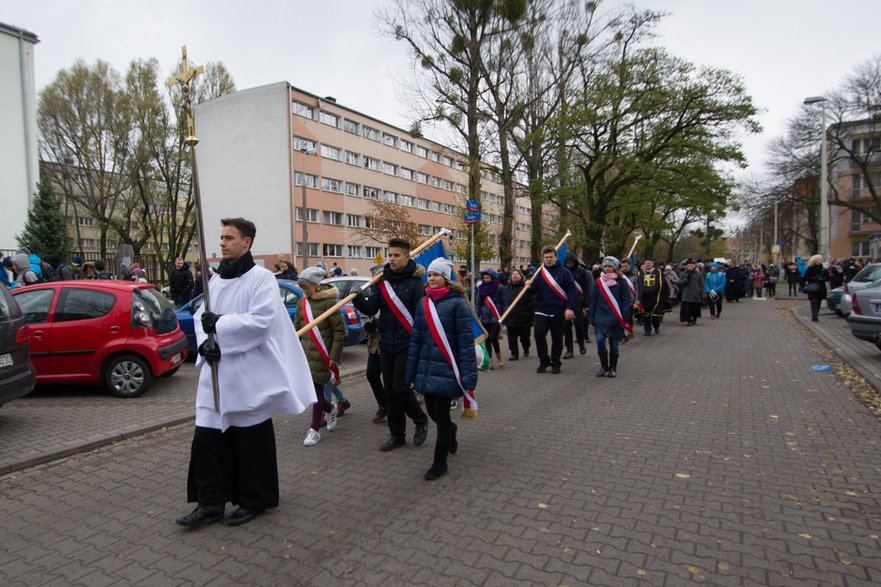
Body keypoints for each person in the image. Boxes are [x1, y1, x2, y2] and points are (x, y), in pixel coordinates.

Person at [177, 217, 315, 529]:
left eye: (229, 237)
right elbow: (202, 318)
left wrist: (221, 328)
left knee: (250, 442)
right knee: (207, 440)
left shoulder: (261, 279)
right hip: (215, 378)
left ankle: (254, 499)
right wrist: (205, 345)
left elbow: (262, 322)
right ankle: (210, 503)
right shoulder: (216, 280)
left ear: (246, 243)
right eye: (221, 237)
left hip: (248, 377)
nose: (222, 242)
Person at [351, 237, 430, 451]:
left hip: (408, 343)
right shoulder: (382, 281)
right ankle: (397, 435)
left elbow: (421, 316)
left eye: (396, 255)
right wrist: (357, 297)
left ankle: (420, 419)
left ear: (407, 257)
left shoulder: (415, 284)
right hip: (386, 343)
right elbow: (370, 308)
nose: (392, 259)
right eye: (390, 255)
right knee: (390, 392)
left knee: (401, 389)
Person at [405, 258, 478, 480]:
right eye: (429, 275)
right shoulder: (423, 304)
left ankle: (440, 462)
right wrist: (411, 371)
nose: (432, 279)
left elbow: (466, 343)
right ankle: (451, 431)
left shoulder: (458, 304)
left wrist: (468, 376)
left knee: (442, 416)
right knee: (433, 412)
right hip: (426, 369)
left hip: (448, 369)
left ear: (446, 278)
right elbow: (416, 340)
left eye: (436, 275)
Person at [293, 267, 347, 446]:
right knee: (310, 393)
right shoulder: (302, 302)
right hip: (306, 355)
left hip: (323, 356)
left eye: (306, 286)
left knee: (315, 393)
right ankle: (330, 408)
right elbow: (298, 328)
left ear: (316, 286)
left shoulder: (328, 303)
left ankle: (314, 429)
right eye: (301, 286)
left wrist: (334, 356)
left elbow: (339, 331)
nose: (304, 290)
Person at [531, 245, 577, 374]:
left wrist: (569, 308)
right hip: (541, 309)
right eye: (546, 257)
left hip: (558, 310)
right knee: (538, 334)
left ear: (556, 257)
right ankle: (543, 360)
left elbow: (571, 291)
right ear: (543, 259)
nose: (549, 259)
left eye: (551, 257)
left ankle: (555, 361)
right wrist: (529, 285)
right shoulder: (539, 273)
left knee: (557, 338)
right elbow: (532, 290)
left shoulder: (564, 272)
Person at [588, 256, 632, 378]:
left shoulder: (621, 282)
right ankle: (604, 366)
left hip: (615, 318)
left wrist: (624, 318)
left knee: (614, 344)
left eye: (610, 266)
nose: (607, 268)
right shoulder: (599, 282)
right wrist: (591, 316)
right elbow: (593, 300)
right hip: (600, 317)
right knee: (600, 341)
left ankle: (613, 368)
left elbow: (626, 301)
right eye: (605, 266)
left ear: (615, 268)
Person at [476, 268, 507, 369]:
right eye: (484, 278)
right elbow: (478, 303)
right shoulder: (481, 288)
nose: (486, 279)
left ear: (492, 277)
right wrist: (477, 315)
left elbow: (504, 301)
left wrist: (504, 314)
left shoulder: (500, 287)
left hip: (496, 316)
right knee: (487, 340)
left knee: (493, 338)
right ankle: (489, 361)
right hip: (485, 317)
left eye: (488, 277)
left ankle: (499, 357)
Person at [563, 251, 593, 357]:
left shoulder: (581, 272)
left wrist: (586, 304)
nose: (570, 264)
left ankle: (581, 344)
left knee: (578, 325)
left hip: (578, 302)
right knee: (566, 326)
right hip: (566, 302)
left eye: (571, 262)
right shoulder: (563, 272)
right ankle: (569, 349)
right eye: (568, 262)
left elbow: (585, 287)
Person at [504, 268, 532, 360]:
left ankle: (526, 348)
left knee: (525, 337)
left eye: (517, 274)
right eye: (513, 274)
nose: (515, 276)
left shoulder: (526, 287)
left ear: (521, 276)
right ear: (511, 277)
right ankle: (514, 353)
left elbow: (531, 301)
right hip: (510, 317)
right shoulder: (506, 288)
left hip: (524, 316)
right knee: (511, 337)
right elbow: (504, 301)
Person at [363, 315, 387, 423]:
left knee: (390, 380)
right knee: (371, 374)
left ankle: (394, 410)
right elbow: (369, 315)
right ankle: (383, 405)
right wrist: (368, 326)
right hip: (375, 346)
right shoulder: (377, 299)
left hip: (389, 345)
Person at [635, 259, 668, 335]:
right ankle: (647, 330)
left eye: (649, 263)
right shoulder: (640, 274)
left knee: (654, 315)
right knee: (645, 314)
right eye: (646, 263)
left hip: (655, 297)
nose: (647, 265)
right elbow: (638, 285)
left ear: (652, 264)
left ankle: (656, 327)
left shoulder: (658, 273)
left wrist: (653, 290)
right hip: (644, 297)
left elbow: (662, 284)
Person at [678, 259, 704, 326]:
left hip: (696, 294)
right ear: (686, 266)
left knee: (695, 309)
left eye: (692, 265)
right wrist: (687, 279)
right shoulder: (683, 274)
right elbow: (680, 283)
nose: (690, 267)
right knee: (687, 309)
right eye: (689, 265)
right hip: (686, 294)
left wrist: (703, 295)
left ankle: (694, 319)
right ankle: (689, 320)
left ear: (694, 266)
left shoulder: (699, 274)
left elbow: (701, 285)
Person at [804, 254, 827, 322]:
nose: (821, 260)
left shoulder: (823, 268)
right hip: (813, 286)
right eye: (819, 259)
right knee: (814, 301)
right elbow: (806, 277)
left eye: (821, 259)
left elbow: (828, 276)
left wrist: (823, 278)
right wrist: (813, 278)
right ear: (815, 260)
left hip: (821, 286)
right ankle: (814, 315)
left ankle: (816, 313)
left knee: (819, 301)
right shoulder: (811, 268)